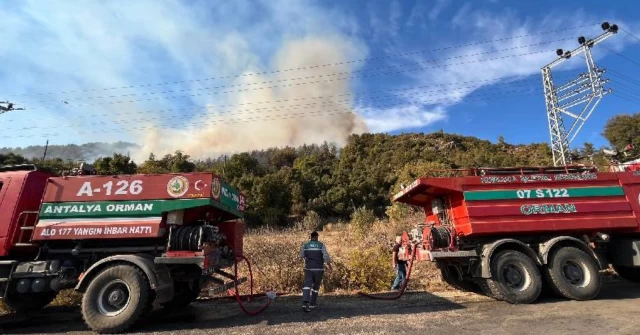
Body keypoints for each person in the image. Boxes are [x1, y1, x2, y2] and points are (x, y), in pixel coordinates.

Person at [299, 230, 332, 312]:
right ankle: (313, 303)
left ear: (311, 237)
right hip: (318, 269)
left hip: (308, 269)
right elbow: (326, 257)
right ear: (317, 237)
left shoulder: (305, 245)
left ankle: (305, 303)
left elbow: (301, 255)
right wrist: (329, 266)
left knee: (307, 285)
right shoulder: (321, 245)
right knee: (315, 287)